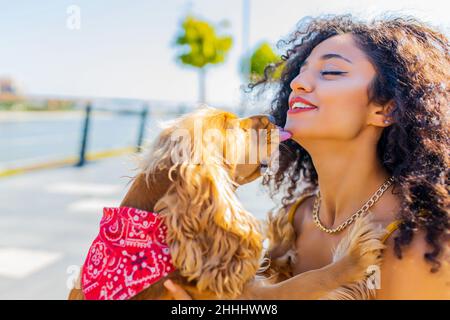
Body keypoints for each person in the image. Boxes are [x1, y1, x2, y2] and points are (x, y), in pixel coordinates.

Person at [164, 14, 449, 299]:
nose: (297, 83)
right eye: (300, 71)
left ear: (385, 110)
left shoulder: (419, 246)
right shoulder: (292, 221)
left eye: (332, 72)